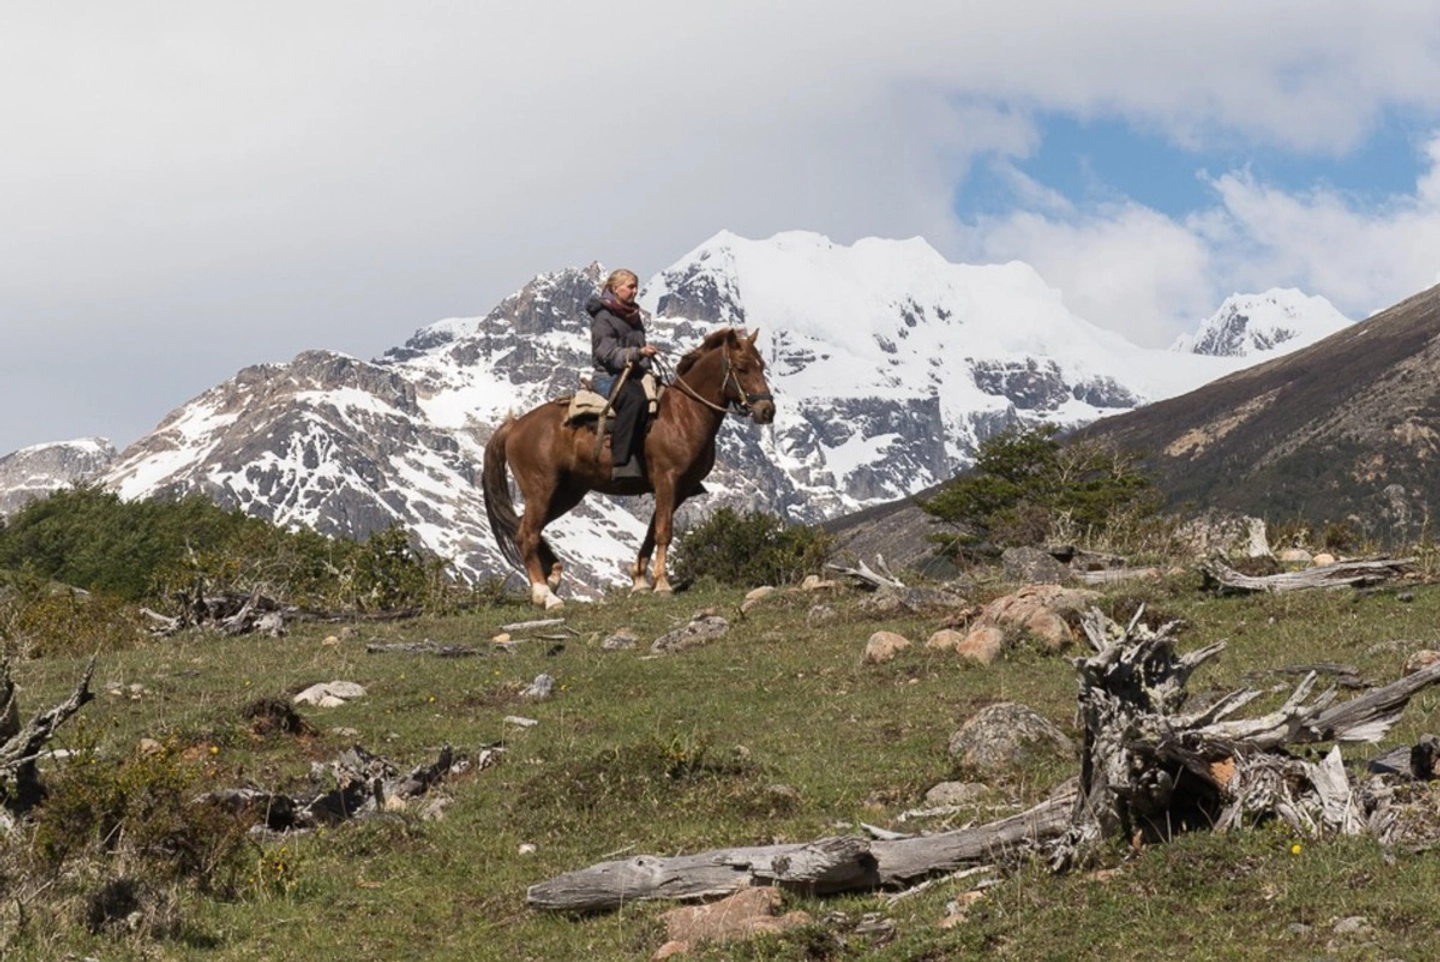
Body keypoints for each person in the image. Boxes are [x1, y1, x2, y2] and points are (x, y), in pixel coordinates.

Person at [587, 268, 657, 479]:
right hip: (607, 377)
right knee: (635, 399)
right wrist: (637, 353)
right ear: (615, 288)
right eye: (630, 287)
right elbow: (607, 354)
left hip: (632, 374)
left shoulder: (633, 316)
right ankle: (622, 462)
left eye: (636, 287)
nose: (635, 291)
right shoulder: (603, 317)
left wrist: (644, 358)